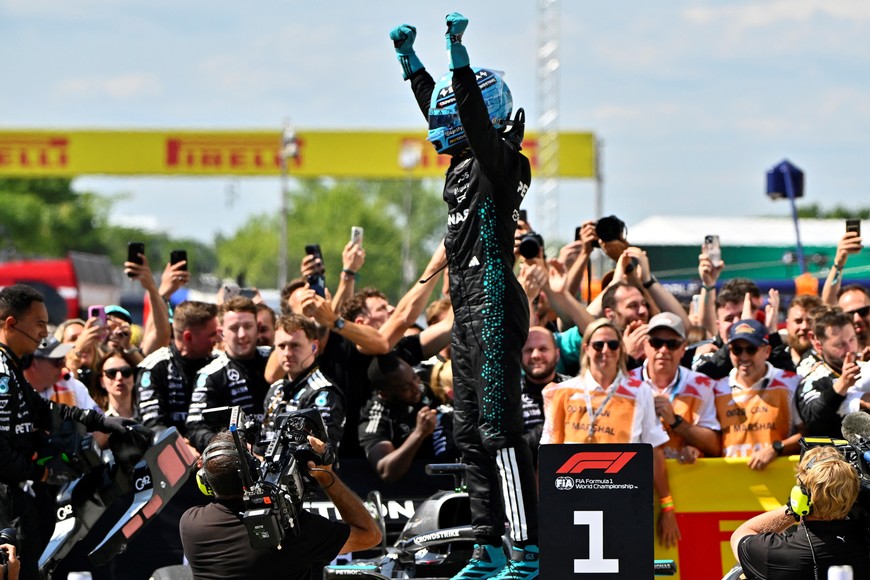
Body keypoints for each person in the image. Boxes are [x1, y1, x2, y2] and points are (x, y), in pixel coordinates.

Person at [390, 13, 540, 577]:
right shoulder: (458, 165)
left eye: (456, 112)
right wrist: (410, 62)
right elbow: (440, 105)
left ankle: (524, 549)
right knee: (467, 431)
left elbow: (471, 118)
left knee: (499, 430)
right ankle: (487, 546)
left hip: (497, 301)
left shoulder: (502, 161)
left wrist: (456, 48)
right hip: (467, 308)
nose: (441, 124)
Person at [0, 285, 134, 580]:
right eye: (38, 324)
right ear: (11, 324)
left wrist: (103, 422)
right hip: (8, 498)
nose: (43, 333)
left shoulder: (10, 367)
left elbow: (46, 410)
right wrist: (42, 473)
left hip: (23, 495)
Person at [541, 319, 680, 548]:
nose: (605, 351)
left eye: (613, 345)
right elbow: (548, 455)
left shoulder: (639, 391)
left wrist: (667, 506)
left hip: (623, 500)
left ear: (620, 351)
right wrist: (545, 507)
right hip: (573, 500)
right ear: (586, 349)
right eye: (598, 345)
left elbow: (654, 452)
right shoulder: (562, 392)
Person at [180, 430, 381, 580]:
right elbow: (370, 535)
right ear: (254, 473)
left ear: (205, 481)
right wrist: (325, 475)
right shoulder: (291, 530)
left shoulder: (190, 524)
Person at [731, 445, 870, 579]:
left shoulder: (775, 553)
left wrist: (793, 509)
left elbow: (740, 534)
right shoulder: (864, 544)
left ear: (801, 495)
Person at [628, 312, 721, 461]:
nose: (664, 350)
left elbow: (715, 446)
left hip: (684, 480)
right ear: (645, 346)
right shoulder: (625, 383)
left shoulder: (702, 384)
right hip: (635, 477)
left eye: (672, 344)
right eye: (656, 343)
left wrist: (675, 421)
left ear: (683, 349)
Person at [185, 297, 273, 452]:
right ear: (221, 333)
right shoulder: (210, 375)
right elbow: (195, 428)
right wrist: (233, 448)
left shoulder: (276, 358)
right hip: (239, 462)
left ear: (258, 327)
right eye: (234, 328)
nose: (242, 335)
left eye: (248, 326)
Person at [713, 319, 803, 469]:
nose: (744, 356)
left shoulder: (791, 382)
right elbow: (712, 439)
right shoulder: (717, 387)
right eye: (737, 349)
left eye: (751, 349)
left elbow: (808, 434)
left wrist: (777, 448)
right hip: (730, 480)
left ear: (767, 351)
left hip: (777, 479)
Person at [137, 300, 220, 440]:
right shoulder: (154, 367)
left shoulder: (219, 363)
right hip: (170, 454)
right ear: (188, 337)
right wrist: (183, 448)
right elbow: (153, 425)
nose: (217, 339)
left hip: (213, 450)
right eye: (211, 335)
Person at [262, 314, 345, 450]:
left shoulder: (324, 393)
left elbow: (324, 457)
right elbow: (264, 441)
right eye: (281, 346)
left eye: (295, 345)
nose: (287, 353)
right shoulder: (276, 389)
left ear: (314, 347)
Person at [358, 353, 437, 483]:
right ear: (385, 393)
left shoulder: (425, 384)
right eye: (406, 387)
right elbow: (385, 470)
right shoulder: (375, 417)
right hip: (408, 489)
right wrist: (419, 434)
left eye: (415, 377)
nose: (416, 388)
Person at [795, 307, 863, 437]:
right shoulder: (813, 378)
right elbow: (813, 420)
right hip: (835, 455)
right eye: (839, 345)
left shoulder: (865, 368)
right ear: (819, 346)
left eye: (852, 340)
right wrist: (841, 385)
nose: (850, 349)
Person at [520, 326, 570, 464]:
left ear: (557, 354)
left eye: (543, 349)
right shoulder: (509, 395)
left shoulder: (575, 389)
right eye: (528, 350)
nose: (535, 355)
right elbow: (511, 448)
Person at [24, 336, 102, 413]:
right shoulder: (14, 391)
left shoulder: (72, 386)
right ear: (34, 363)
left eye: (63, 359)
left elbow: (98, 421)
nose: (63, 366)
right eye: (58, 361)